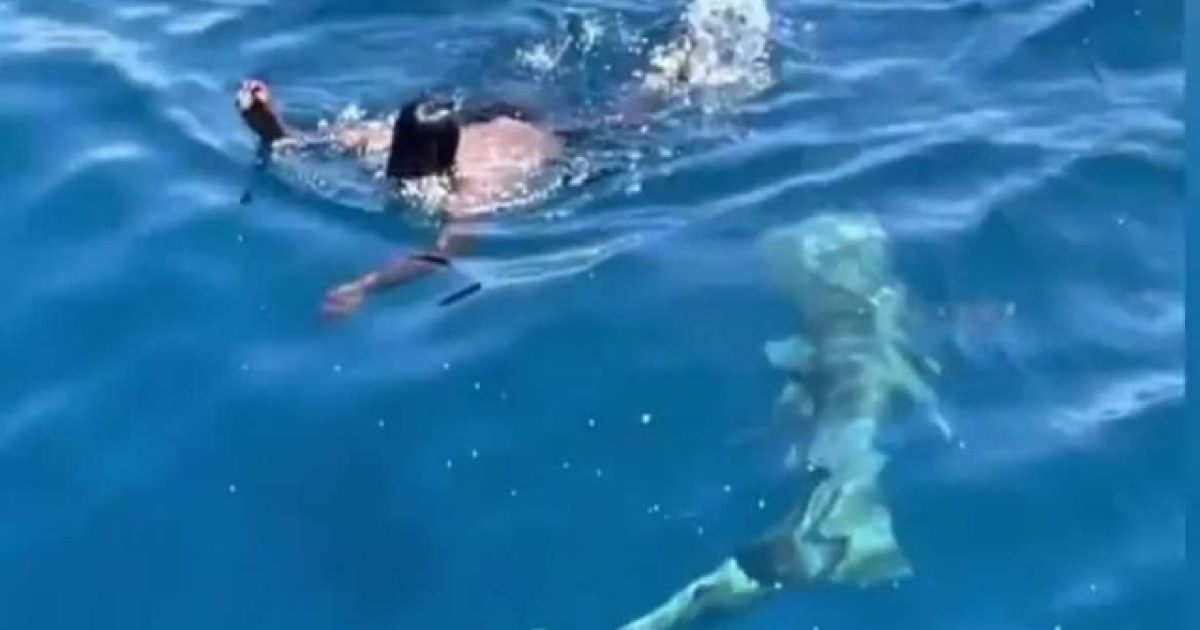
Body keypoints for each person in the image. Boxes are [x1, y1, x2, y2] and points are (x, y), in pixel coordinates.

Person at [233, 0, 769, 318]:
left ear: (438, 165)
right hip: (487, 116)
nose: (398, 167)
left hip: (537, 139)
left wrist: (364, 286)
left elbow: (441, 255)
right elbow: (300, 141)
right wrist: (265, 118)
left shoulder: (476, 188)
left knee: (626, 122)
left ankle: (680, 64)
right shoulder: (384, 139)